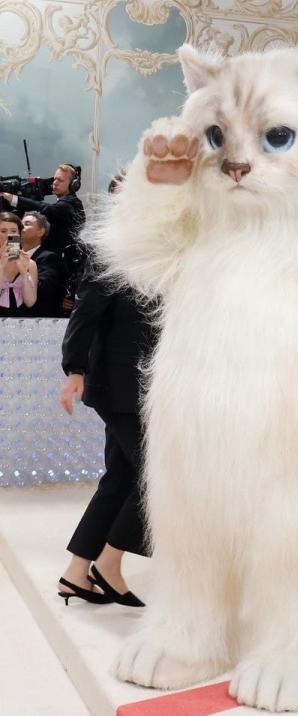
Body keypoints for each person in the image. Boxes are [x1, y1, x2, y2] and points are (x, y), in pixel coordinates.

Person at [57, 174, 154, 608]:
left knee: (120, 478)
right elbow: (85, 314)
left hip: (144, 385)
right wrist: (74, 368)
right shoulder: (112, 248)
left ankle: (77, 572)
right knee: (156, 478)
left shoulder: (161, 250)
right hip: (120, 386)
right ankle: (110, 562)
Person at [1, 164, 86, 312]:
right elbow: (12, 242)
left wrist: (15, 199)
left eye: (60, 180)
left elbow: (48, 209)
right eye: (54, 179)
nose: (54, 183)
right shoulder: (15, 249)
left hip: (64, 277)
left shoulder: (72, 204)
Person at [19, 212, 65, 318]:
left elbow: (43, 289)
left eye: (27, 223)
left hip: (32, 319)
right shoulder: (9, 256)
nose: (21, 226)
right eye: (20, 223)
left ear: (40, 232)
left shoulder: (48, 257)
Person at [0, 212, 38, 316]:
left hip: (19, 321)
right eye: (3, 231)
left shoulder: (30, 264)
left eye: (13, 231)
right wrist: (1, 265)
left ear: (20, 235)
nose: (9, 235)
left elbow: (30, 302)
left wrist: (24, 273)